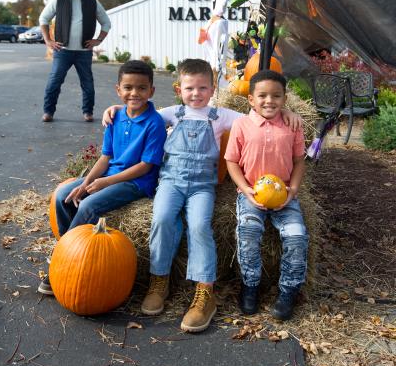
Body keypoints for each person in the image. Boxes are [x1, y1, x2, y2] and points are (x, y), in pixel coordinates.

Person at [102, 59, 302, 333]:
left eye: (203, 88)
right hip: (171, 181)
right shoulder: (171, 113)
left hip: (201, 186)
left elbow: (260, 113)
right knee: (161, 218)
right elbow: (138, 113)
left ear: (212, 89)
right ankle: (159, 280)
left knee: (199, 226)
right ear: (179, 89)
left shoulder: (221, 115)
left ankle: (204, 292)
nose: (196, 94)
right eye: (190, 88)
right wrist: (116, 109)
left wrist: (289, 110)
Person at [38, 60, 166, 295]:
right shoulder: (115, 117)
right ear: (118, 90)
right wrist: (86, 183)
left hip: (135, 182)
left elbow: (146, 166)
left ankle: (62, 261)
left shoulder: (154, 122)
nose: (134, 93)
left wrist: (103, 183)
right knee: (63, 196)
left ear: (151, 90)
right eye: (128, 87)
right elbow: (106, 157)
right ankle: (72, 253)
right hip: (109, 174)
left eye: (141, 88)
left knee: (87, 205)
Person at [225, 69, 309, 320]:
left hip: (284, 194)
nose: (269, 101)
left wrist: (292, 190)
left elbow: (299, 161)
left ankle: (289, 291)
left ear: (284, 99)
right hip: (252, 194)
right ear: (251, 99)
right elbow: (231, 162)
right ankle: (250, 286)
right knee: (248, 233)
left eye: (276, 96)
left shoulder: (293, 125)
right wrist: (246, 190)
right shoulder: (241, 125)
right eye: (262, 95)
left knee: (297, 236)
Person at [39, 0, 111, 122]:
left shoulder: (92, 2)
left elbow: (106, 23)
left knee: (88, 84)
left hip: (84, 52)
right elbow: (43, 18)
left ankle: (88, 112)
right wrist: (48, 40)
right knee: (54, 82)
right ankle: (48, 112)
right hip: (62, 51)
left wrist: (97, 40)